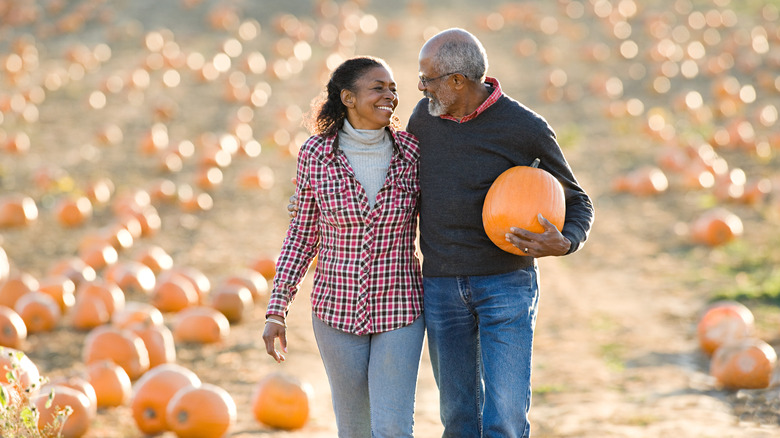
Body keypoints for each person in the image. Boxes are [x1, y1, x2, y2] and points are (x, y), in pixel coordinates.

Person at [407, 28, 594, 437]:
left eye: (427, 79)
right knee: (458, 416)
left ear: (458, 80)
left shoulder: (523, 126)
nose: (420, 88)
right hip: (441, 285)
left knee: (505, 417)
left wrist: (566, 242)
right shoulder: (423, 118)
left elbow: (578, 200)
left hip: (506, 283)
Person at [262, 56, 425, 438]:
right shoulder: (315, 156)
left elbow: (441, 215)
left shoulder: (412, 153)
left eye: (393, 88)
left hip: (400, 307)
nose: (390, 96)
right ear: (348, 98)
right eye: (378, 88)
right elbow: (301, 237)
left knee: (393, 428)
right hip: (336, 311)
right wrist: (277, 310)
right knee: (354, 429)